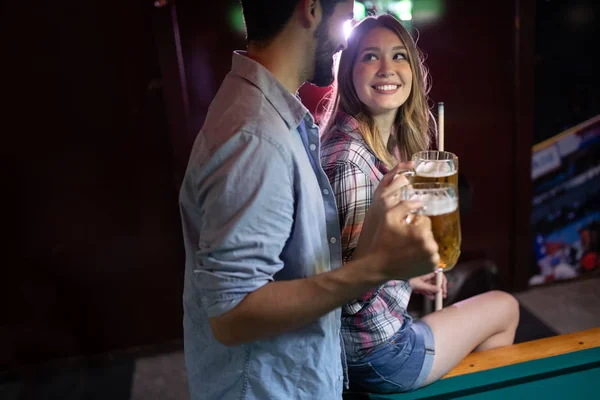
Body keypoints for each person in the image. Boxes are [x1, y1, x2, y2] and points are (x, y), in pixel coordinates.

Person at [179, 2, 441, 399]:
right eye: (347, 13)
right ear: (313, 8)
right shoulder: (256, 135)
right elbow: (231, 315)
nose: (345, 34)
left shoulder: (274, 113)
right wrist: (377, 268)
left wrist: (390, 272)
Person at [321, 14, 520, 394]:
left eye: (399, 56)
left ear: (412, 70)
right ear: (347, 71)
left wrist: (404, 276)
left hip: (371, 340)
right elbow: (341, 295)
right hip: (375, 354)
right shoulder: (349, 160)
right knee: (504, 307)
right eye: (369, 57)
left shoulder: (380, 142)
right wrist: (394, 273)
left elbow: (361, 262)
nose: (386, 69)